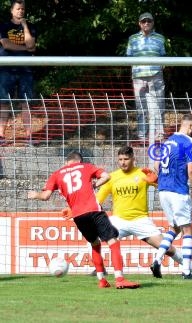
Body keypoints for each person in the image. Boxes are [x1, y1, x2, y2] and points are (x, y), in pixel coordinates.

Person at [27, 151, 140, 289]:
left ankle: (102, 280)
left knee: (95, 243)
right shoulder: (86, 166)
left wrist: (35, 195)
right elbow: (106, 176)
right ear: (79, 161)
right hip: (93, 210)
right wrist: (94, 185)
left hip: (78, 216)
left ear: (66, 162)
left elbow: (45, 196)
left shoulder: (57, 174)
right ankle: (120, 279)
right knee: (113, 242)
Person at [95, 145, 192, 279]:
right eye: (120, 159)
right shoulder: (111, 177)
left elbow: (164, 186)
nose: (123, 162)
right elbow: (98, 200)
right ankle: (99, 269)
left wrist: (157, 180)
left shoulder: (142, 173)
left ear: (133, 159)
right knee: (94, 239)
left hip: (141, 220)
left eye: (126, 159)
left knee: (168, 248)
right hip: (119, 220)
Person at [152, 114, 192, 279]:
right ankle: (186, 271)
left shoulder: (168, 141)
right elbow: (191, 169)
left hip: (163, 190)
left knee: (174, 228)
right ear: (190, 127)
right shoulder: (188, 142)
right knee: (187, 230)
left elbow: (156, 165)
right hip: (178, 191)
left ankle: (157, 259)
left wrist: (164, 179)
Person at [0, 0, 37, 145]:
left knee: (26, 103)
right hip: (6, 69)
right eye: (17, 9)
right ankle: (1, 135)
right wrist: (25, 49)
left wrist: (24, 26)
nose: (20, 11)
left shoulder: (31, 27)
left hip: (25, 69)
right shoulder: (3, 26)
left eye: (22, 9)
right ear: (11, 10)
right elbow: (6, 44)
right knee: (3, 103)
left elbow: (31, 45)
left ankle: (29, 136)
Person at [126, 12, 166, 145]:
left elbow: (163, 57)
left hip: (156, 75)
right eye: (144, 21)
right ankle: (142, 136)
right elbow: (128, 57)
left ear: (153, 23)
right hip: (138, 76)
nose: (146, 23)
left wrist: (160, 69)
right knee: (141, 107)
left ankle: (159, 134)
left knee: (158, 106)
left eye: (149, 21)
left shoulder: (160, 38)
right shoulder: (132, 38)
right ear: (139, 23)